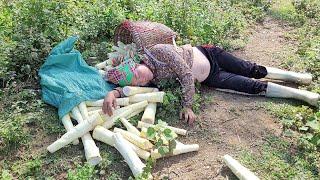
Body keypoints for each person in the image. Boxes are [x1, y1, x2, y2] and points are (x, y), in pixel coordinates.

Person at [102, 43, 319, 125]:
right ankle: (301, 96)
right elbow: (130, 90)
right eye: (138, 81)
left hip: (211, 55)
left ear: (136, 64)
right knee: (249, 86)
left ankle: (297, 77)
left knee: (251, 69)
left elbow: (186, 74)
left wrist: (188, 104)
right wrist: (113, 94)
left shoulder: (158, 51)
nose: (141, 79)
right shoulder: (151, 80)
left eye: (137, 75)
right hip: (211, 78)